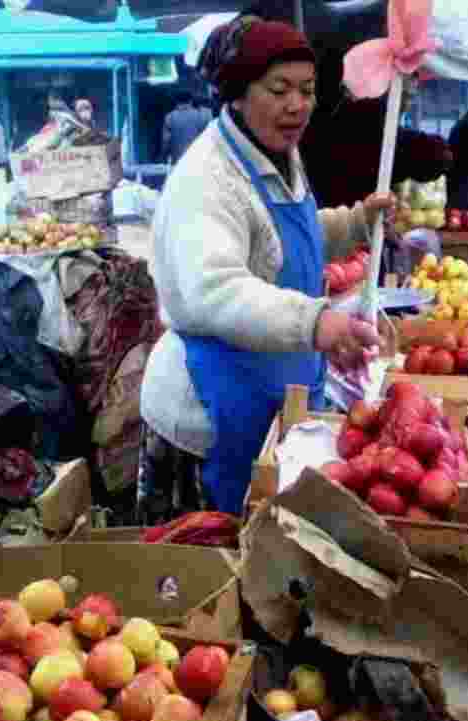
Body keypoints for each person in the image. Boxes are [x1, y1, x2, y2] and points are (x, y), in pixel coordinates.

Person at [137, 16, 396, 522]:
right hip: (207, 414)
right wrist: (314, 321)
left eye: (306, 90)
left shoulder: (277, 155)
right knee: (207, 573)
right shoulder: (208, 179)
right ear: (237, 93)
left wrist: (356, 223)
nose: (296, 105)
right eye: (279, 90)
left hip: (266, 396)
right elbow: (213, 289)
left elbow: (281, 244)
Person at [161, 92, 213, 165]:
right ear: (191, 101)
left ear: (176, 102)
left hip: (178, 161)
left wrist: (164, 157)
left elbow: (166, 141)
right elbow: (209, 139)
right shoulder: (202, 116)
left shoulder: (170, 117)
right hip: (198, 160)